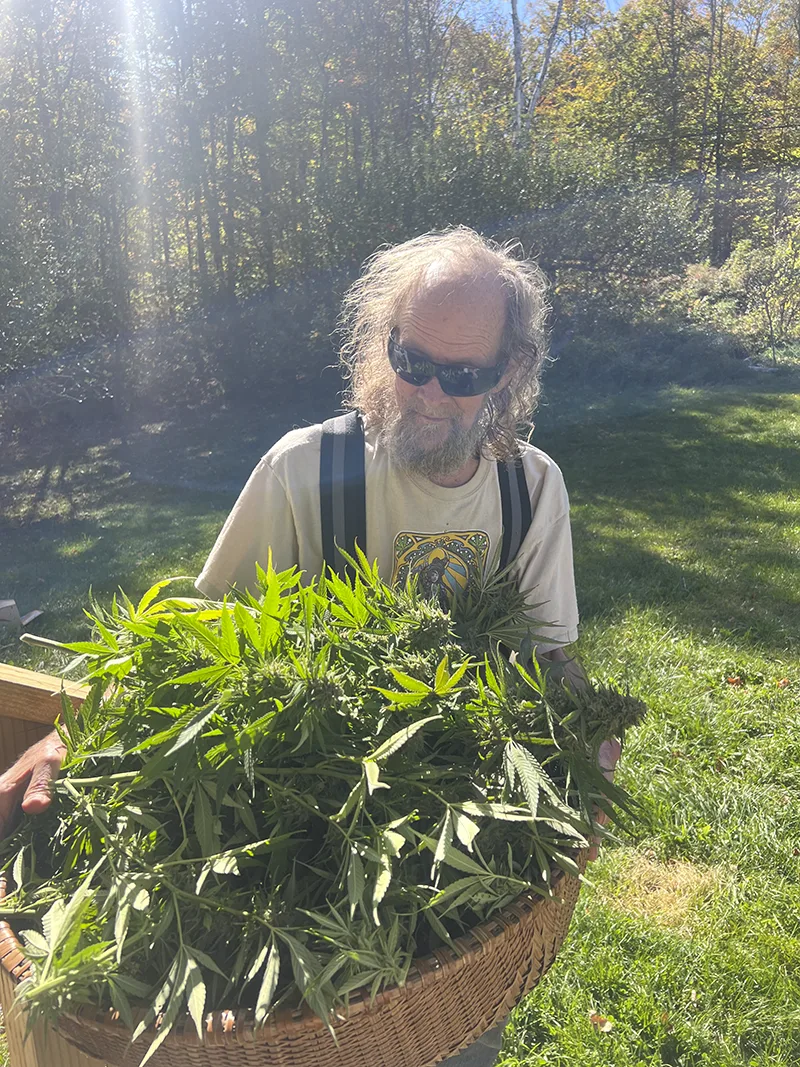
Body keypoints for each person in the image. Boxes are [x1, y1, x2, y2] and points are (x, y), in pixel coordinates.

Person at [0, 227, 618, 1066]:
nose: (429, 393)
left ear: (509, 373)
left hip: (457, 879)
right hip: (306, 860)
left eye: (462, 376)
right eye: (410, 358)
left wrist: (588, 740)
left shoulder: (530, 487)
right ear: (381, 342)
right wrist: (77, 734)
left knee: (457, 1043)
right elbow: (191, 651)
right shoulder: (306, 470)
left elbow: (549, 660)